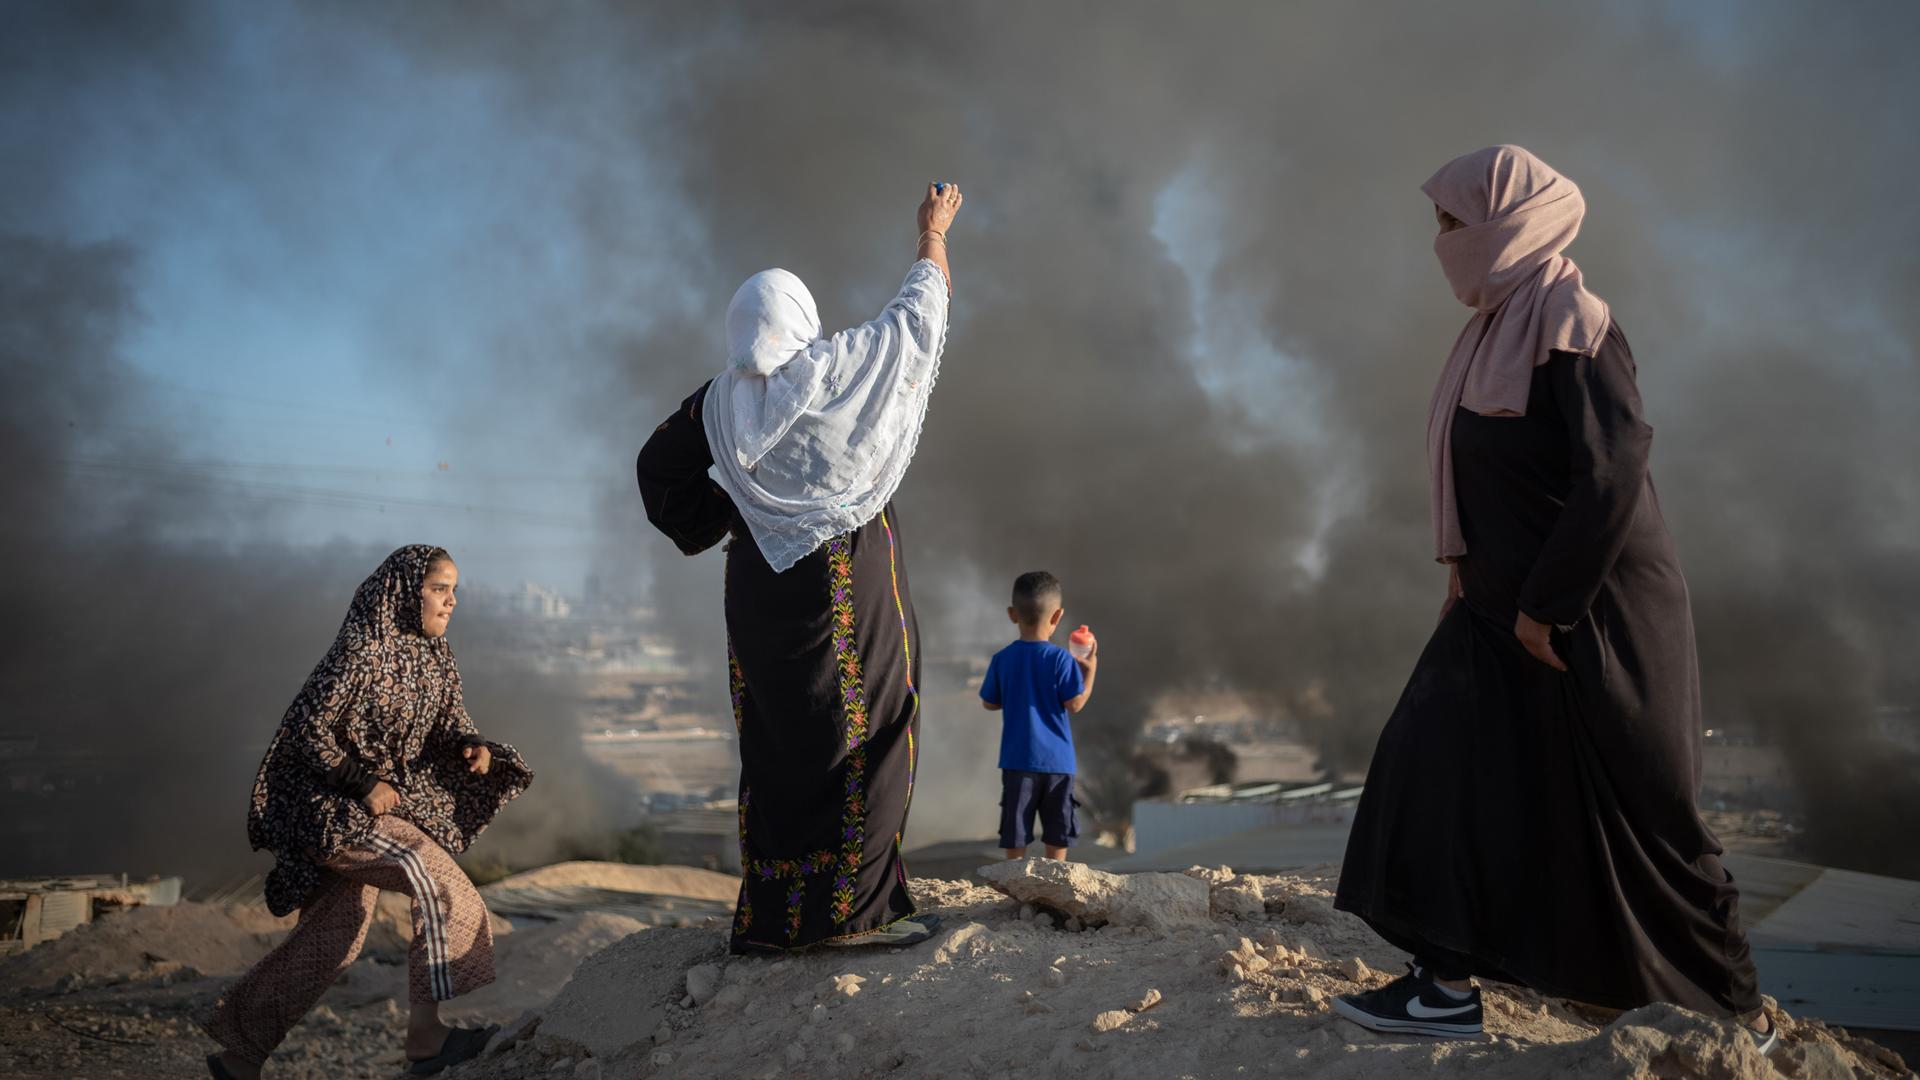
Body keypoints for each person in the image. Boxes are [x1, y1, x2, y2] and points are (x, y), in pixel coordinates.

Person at [1331, 146, 1772, 1052]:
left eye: (1452, 222)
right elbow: (1500, 474)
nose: (1440, 242)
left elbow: (1613, 470)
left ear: (1508, 222)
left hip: (1593, 618)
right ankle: (1443, 985)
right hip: (1498, 607)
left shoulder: (1577, 324)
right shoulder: (1496, 329)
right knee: (1439, 767)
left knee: (1649, 814)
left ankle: (1739, 1017)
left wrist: (1550, 608)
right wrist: (1469, 569)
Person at [638, 182, 962, 954]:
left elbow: (657, 469)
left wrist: (723, 518)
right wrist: (932, 233)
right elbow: (919, 315)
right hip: (847, 577)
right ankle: (854, 914)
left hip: (758, 582)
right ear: (802, 321)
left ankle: (776, 919)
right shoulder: (843, 368)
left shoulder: (715, 404)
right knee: (871, 726)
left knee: (778, 739)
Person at [202, 545, 534, 1079]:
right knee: (435, 877)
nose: (451, 602)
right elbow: (307, 729)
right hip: (328, 812)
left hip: (369, 809)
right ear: (406, 591)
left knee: (335, 939)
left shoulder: (434, 653)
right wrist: (361, 782)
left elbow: (450, 713)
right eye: (439, 589)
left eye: (454, 591)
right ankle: (426, 1037)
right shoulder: (361, 649)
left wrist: (471, 741)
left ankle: (239, 1057)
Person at [979, 571, 1098, 861]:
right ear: (1057, 617)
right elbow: (1075, 704)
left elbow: (990, 703)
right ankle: (1054, 891)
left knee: (1015, 831)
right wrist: (1091, 670)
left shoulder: (1002, 659)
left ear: (1012, 614)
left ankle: (1014, 892)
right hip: (1057, 762)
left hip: (1017, 760)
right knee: (1058, 832)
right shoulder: (1061, 660)